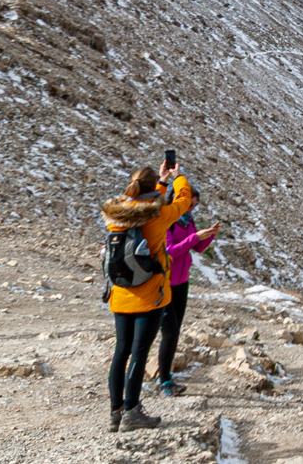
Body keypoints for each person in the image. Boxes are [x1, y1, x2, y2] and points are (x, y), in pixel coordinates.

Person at [102, 162, 192, 433]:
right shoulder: (160, 215)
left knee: (121, 352)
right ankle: (133, 411)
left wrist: (160, 183)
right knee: (140, 352)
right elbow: (184, 201)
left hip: (121, 293)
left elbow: (145, 201)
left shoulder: (117, 215)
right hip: (150, 294)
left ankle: (115, 412)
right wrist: (178, 178)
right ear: (152, 187)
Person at [155, 186, 221, 396]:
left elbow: (197, 248)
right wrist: (195, 237)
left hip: (182, 282)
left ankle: (166, 377)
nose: (191, 209)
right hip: (164, 284)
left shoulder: (187, 220)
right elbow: (169, 251)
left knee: (174, 333)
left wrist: (209, 235)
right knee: (170, 331)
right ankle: (164, 381)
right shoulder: (167, 220)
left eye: (194, 205)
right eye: (189, 204)